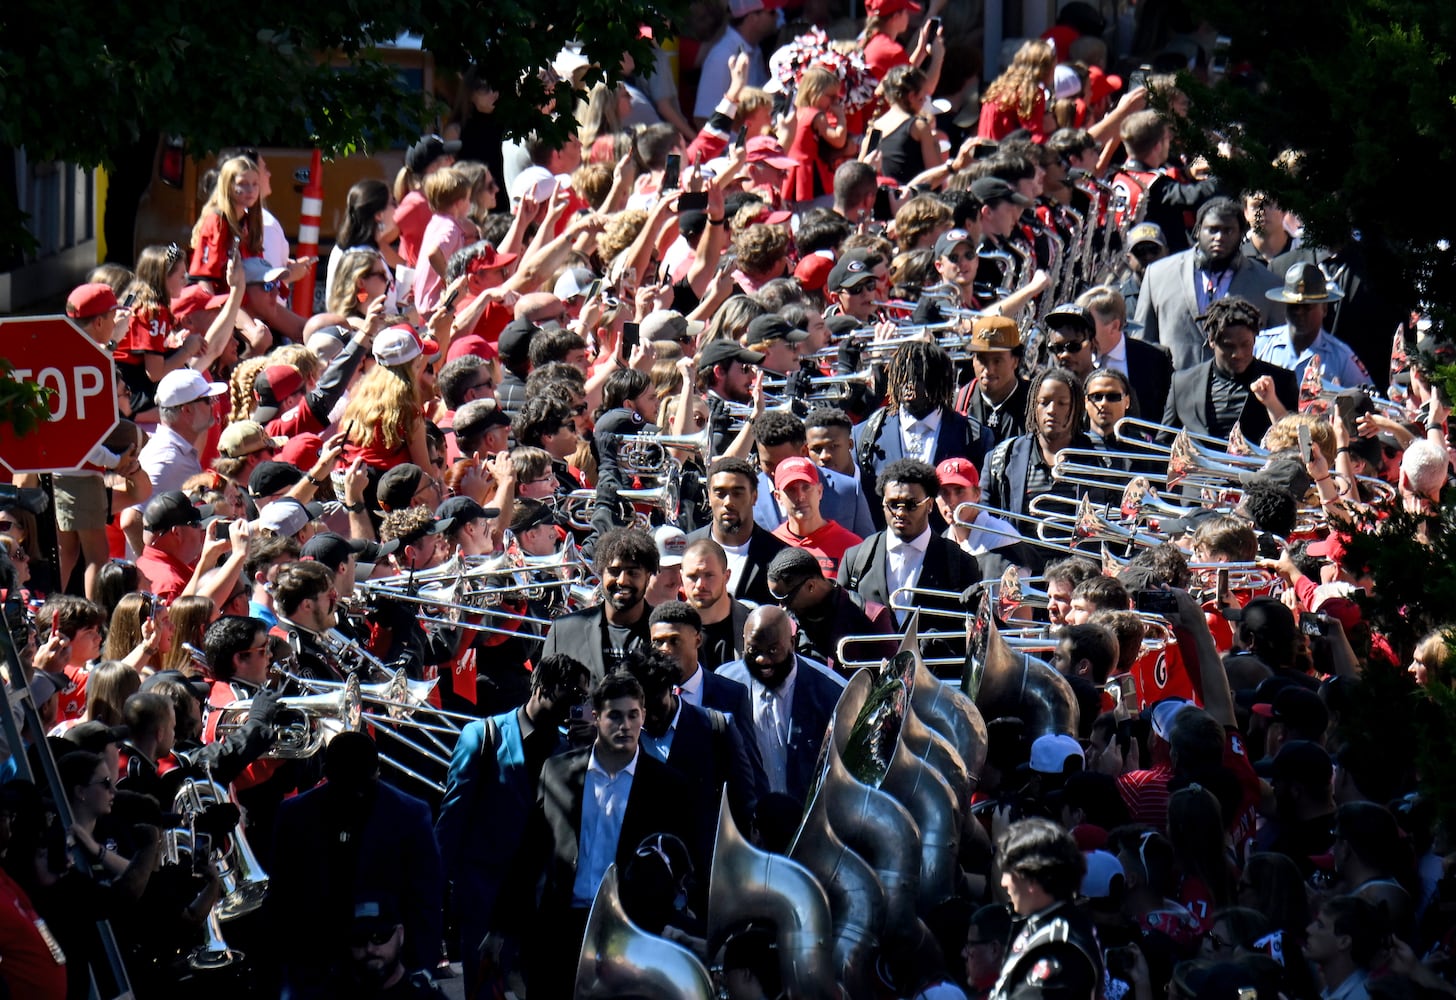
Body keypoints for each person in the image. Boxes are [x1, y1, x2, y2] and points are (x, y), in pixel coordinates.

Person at [506, 672, 692, 997]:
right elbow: (530, 852)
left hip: (630, 930)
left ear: (644, 716)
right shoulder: (557, 772)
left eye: (633, 715)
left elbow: (681, 864)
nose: (625, 725)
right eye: (615, 716)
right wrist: (501, 929)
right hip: (562, 928)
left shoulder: (667, 786)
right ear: (596, 717)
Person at [435, 654, 591, 995]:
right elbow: (453, 815)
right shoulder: (483, 735)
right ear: (543, 688)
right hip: (485, 892)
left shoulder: (567, 748)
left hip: (538, 899)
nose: (580, 704)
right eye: (574, 694)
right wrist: (436, 890)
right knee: (485, 988)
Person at [269, 733, 443, 997]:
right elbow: (281, 899)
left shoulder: (409, 815)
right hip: (317, 965)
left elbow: (425, 899)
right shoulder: (294, 817)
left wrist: (419, 969)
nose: (354, 794)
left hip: (384, 966)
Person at [1135, 198, 1285, 371]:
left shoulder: (1267, 284)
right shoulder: (1158, 274)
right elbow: (1142, 343)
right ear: (1197, 231)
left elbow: (1277, 350)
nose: (1219, 237)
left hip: (1241, 391)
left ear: (1242, 234)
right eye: (1212, 230)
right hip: (1173, 390)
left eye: (1228, 231)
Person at [718, 606, 845, 807]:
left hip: (812, 820)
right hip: (751, 824)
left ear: (792, 643)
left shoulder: (832, 691)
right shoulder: (725, 684)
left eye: (773, 650)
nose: (763, 659)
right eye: (753, 650)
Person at [839, 458, 979, 627]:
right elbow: (840, 623)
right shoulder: (856, 559)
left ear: (929, 505)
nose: (900, 512)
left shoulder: (960, 563)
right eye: (892, 504)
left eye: (910, 504)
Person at [989, 818, 1101, 999]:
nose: (1003, 882)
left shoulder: (1060, 947)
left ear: (1031, 877)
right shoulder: (1046, 924)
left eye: (1009, 872)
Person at [1161, 297, 1298, 445]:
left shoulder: (1281, 381)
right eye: (1228, 346)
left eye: (1245, 344)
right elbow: (1162, 446)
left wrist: (1272, 402)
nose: (1237, 354)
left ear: (1254, 339)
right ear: (1212, 341)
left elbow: (1298, 445)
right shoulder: (1182, 384)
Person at [542, 526, 657, 679]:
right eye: (614, 571)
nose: (622, 580)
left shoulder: (668, 629)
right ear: (601, 573)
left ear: (648, 577)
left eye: (633, 572)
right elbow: (544, 696)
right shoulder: (563, 630)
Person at [767, 547, 894, 670]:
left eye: (786, 598)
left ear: (811, 586)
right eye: (776, 598)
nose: (781, 606)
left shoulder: (870, 617)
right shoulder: (786, 619)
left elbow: (889, 682)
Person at [686, 458, 789, 607]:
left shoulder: (779, 555)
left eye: (737, 493)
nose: (728, 502)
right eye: (720, 493)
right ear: (709, 496)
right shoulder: (687, 547)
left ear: (754, 497)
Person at [1255, 262, 1370, 388]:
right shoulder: (1262, 346)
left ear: (1324, 309)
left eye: (1307, 307)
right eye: (1294, 306)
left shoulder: (1341, 357)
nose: (1299, 312)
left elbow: (1366, 400)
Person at [1077, 284, 1173, 422]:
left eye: (1089, 327)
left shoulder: (1155, 358)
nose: (1083, 335)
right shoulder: (1073, 357)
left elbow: (1167, 416)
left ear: (1114, 326)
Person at [769, 456, 862, 577]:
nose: (800, 496)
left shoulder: (851, 546)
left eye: (806, 487)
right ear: (778, 497)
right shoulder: (770, 544)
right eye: (791, 490)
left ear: (819, 491)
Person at [957, 315, 1033, 445]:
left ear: (1015, 361)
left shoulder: (1035, 403)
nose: (989, 370)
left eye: (997, 361)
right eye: (982, 360)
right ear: (973, 360)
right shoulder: (959, 403)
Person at [680, 538, 752, 671]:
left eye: (709, 575)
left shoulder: (751, 624)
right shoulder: (670, 628)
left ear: (727, 576)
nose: (700, 585)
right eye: (692, 576)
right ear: (681, 577)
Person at [868, 65, 943, 187]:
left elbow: (861, 169)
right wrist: (935, 145)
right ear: (912, 96)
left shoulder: (875, 127)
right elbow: (935, 177)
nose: (925, 100)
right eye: (923, 95)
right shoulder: (918, 126)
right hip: (911, 201)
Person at [978, 39, 1056, 142]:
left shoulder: (999, 88)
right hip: (1005, 154)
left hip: (985, 152)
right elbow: (1034, 139)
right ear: (1046, 68)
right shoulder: (1031, 93)